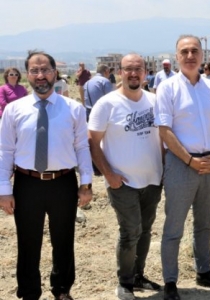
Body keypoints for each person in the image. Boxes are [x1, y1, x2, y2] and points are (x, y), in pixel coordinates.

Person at [0, 50, 93, 300]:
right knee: (28, 242)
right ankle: (29, 292)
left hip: (62, 183)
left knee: (63, 240)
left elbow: (82, 147)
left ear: (54, 73)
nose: (40, 75)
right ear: (27, 75)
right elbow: (5, 150)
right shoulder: (13, 110)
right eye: (34, 70)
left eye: (45, 70)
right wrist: (4, 190)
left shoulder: (73, 109)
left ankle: (62, 289)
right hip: (26, 183)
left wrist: (86, 183)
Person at [154, 34, 210, 300]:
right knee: (174, 227)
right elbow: (164, 130)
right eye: (184, 51)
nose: (190, 56)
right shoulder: (167, 88)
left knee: (205, 222)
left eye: (194, 51)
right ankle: (171, 281)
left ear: (202, 55)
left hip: (209, 163)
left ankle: (204, 270)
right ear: (176, 56)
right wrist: (189, 160)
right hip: (180, 165)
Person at [88, 54, 164, 300]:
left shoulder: (155, 101)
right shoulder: (107, 104)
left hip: (153, 180)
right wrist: (109, 175)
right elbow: (92, 142)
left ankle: (139, 275)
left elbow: (163, 137)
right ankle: (125, 282)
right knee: (130, 231)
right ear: (119, 72)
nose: (133, 73)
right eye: (128, 69)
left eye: (138, 69)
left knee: (145, 229)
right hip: (123, 183)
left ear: (145, 72)